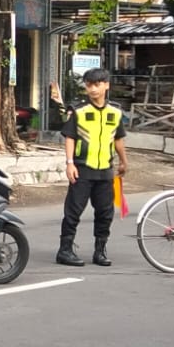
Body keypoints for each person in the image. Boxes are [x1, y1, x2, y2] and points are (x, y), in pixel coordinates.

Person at [56, 67, 127, 268]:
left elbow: (118, 139)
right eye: (89, 85)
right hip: (82, 169)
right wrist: (69, 163)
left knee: (105, 213)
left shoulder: (115, 112)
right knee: (73, 212)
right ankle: (65, 250)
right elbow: (70, 138)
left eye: (97, 84)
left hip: (105, 171)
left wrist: (124, 161)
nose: (93, 89)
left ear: (106, 85)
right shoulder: (78, 110)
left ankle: (100, 251)